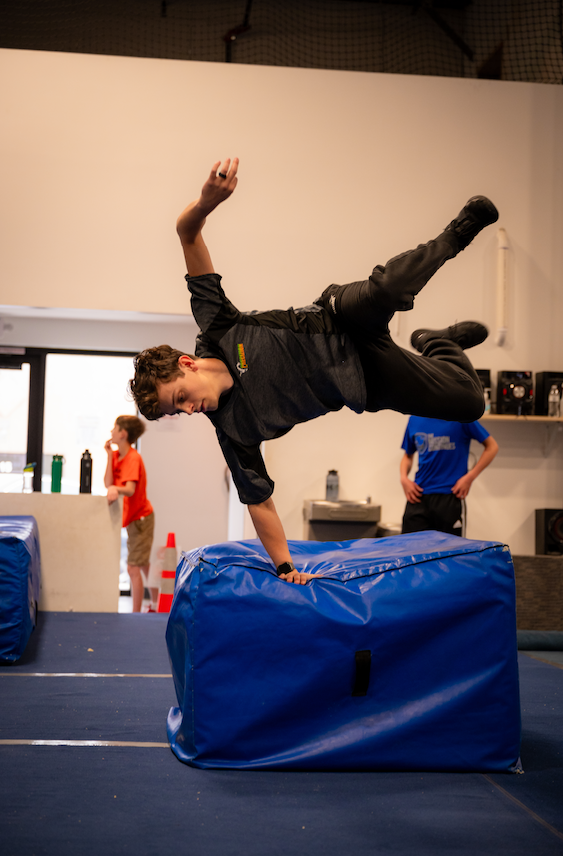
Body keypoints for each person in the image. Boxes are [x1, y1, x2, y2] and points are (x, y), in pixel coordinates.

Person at [130, 157, 498, 584]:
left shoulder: (217, 326)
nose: (189, 411)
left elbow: (186, 232)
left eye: (179, 399)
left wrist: (206, 204)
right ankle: (439, 342)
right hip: (367, 381)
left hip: (339, 320)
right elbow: (259, 501)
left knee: (389, 290)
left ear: (185, 364)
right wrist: (286, 567)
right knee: (470, 403)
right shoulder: (233, 430)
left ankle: (460, 230)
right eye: (178, 412)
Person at [400, 416, 499, 536]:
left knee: (449, 552)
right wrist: (404, 478)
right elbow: (407, 456)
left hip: (449, 496)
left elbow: (492, 447)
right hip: (418, 496)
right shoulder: (415, 419)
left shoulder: (461, 417)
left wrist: (470, 477)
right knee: (411, 550)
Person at [104, 415, 157, 612]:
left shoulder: (134, 458)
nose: (111, 432)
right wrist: (110, 456)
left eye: (115, 428)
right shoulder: (118, 456)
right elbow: (109, 483)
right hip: (134, 519)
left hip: (142, 519)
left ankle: (136, 615)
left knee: (133, 568)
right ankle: (157, 602)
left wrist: (116, 489)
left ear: (123, 434)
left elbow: (130, 489)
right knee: (141, 564)